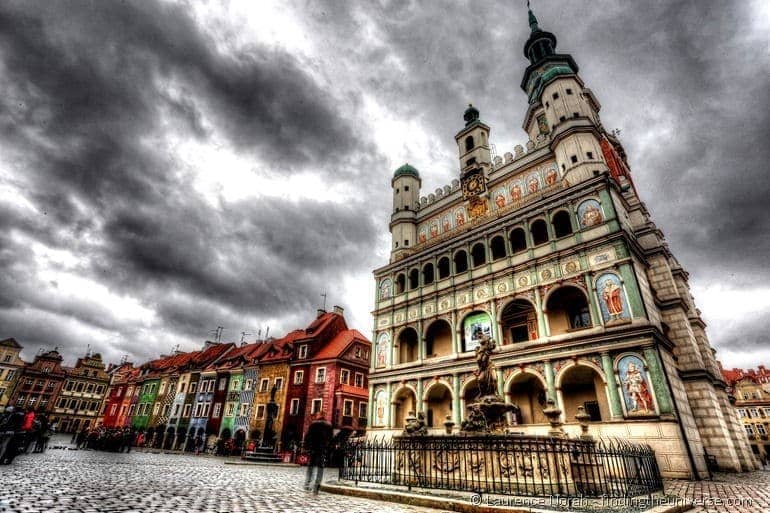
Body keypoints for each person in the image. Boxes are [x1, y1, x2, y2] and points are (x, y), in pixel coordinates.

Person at [303, 413, 333, 494]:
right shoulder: (328, 425)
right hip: (322, 448)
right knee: (320, 466)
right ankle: (317, 484)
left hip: (313, 447)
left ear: (318, 416)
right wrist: (328, 447)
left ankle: (308, 483)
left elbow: (308, 436)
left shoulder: (313, 424)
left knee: (311, 465)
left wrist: (307, 446)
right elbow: (330, 438)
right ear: (324, 417)